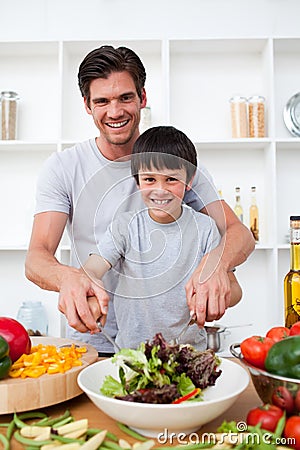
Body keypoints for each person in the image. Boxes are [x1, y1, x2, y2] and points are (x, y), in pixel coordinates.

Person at [25, 45, 254, 356]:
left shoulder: (175, 162)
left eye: (125, 98)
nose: (115, 111)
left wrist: (216, 267)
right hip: (95, 340)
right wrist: (70, 278)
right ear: (87, 106)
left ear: (143, 98)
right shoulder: (64, 167)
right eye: (102, 101)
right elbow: (36, 257)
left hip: (176, 344)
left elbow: (239, 233)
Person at [82, 125, 242, 349]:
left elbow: (235, 290)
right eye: (149, 179)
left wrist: (215, 298)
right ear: (137, 180)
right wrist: (89, 288)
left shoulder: (205, 228)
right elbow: (91, 268)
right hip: (132, 355)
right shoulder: (125, 226)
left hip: (190, 355)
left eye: (171, 180)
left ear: (189, 180)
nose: (160, 190)